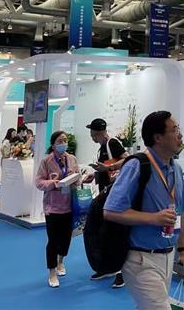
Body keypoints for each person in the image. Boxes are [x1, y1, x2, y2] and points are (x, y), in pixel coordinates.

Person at [104, 111, 184, 310]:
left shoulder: (176, 169)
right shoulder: (137, 166)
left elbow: (181, 212)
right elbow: (110, 211)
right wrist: (153, 218)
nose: (180, 135)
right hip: (141, 259)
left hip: (168, 255)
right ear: (158, 138)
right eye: (174, 130)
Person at [82, 118, 127, 288]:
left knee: (117, 233)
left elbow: (128, 159)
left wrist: (109, 168)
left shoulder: (112, 143)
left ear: (99, 132)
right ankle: (109, 267)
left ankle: (122, 271)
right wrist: (95, 175)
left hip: (115, 196)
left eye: (93, 134)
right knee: (105, 233)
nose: (91, 137)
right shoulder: (102, 148)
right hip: (106, 195)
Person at [35, 131, 80, 288]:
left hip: (69, 206)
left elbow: (78, 177)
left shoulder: (72, 159)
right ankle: (52, 272)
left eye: (65, 140)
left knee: (66, 238)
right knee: (53, 241)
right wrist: (53, 183)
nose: (63, 143)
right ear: (53, 145)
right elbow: (39, 182)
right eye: (60, 141)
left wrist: (77, 180)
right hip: (52, 207)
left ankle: (61, 261)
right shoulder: (46, 161)